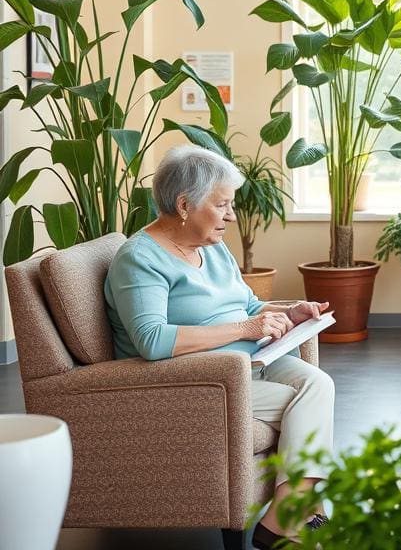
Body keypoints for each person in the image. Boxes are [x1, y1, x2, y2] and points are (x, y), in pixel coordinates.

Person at [104, 145, 334, 549]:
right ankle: (292, 516)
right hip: (197, 378)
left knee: (318, 385)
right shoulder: (140, 259)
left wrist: (288, 312)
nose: (231, 216)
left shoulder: (211, 246)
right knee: (305, 408)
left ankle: (286, 514)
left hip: (249, 360)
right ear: (184, 205)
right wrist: (247, 325)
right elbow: (153, 340)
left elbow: (247, 305)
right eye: (223, 205)